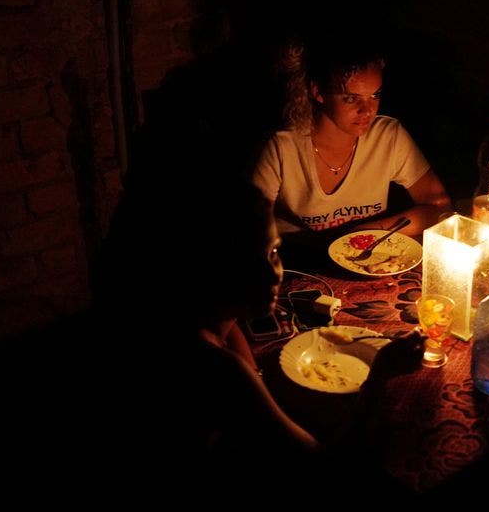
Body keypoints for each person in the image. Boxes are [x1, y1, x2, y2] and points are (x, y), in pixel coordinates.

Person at [95, 175, 426, 498]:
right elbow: (324, 471)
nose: (272, 275)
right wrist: (379, 374)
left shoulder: (205, 319)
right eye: (246, 262)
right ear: (204, 269)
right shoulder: (215, 368)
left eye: (274, 253)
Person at [252, 37, 452, 265]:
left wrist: (365, 233)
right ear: (317, 92)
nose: (367, 110)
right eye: (350, 99)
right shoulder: (281, 147)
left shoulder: (388, 136)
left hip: (363, 263)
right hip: (298, 267)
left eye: (375, 95)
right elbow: (248, 228)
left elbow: (440, 207)